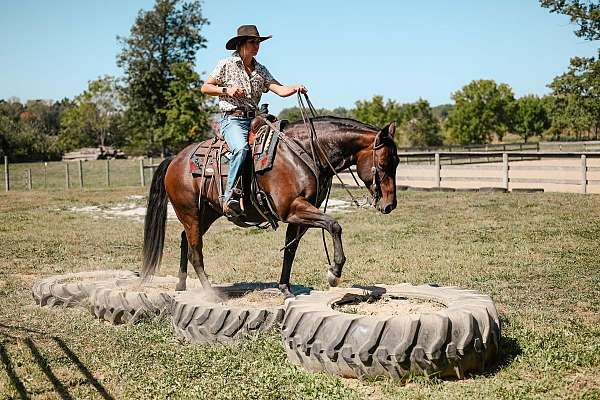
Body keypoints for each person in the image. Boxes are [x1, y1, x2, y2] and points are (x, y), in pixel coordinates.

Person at [201, 25, 307, 217]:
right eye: (253, 42)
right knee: (241, 149)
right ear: (241, 43)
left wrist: (295, 87)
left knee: (280, 146)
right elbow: (206, 87)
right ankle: (229, 196)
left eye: (258, 42)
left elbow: (280, 90)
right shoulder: (226, 64)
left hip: (254, 120)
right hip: (232, 119)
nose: (257, 45)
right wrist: (227, 90)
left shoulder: (261, 69)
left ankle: (265, 194)